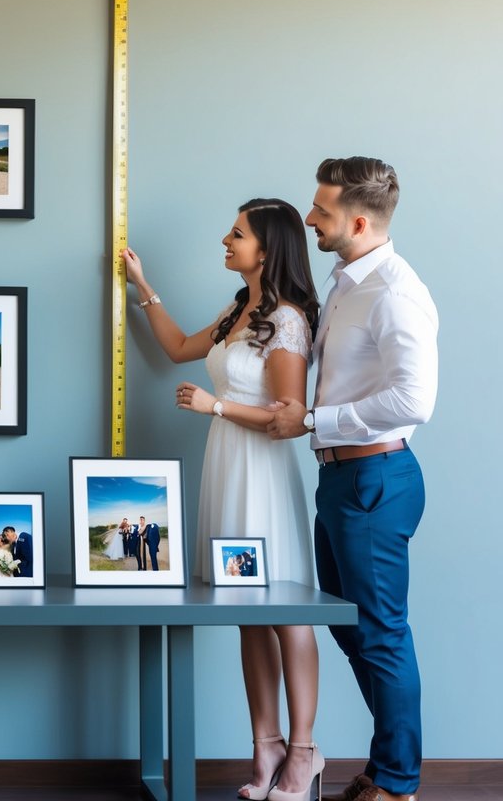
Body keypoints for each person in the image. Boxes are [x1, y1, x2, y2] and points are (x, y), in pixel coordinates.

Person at [123, 197, 321, 801]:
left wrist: (218, 407)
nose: (225, 241)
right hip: (225, 467)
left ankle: (305, 752)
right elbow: (180, 347)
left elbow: (288, 417)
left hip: (260, 470)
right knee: (245, 612)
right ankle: (265, 747)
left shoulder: (287, 319)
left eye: (237, 234)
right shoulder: (243, 309)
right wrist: (142, 286)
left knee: (285, 611)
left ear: (268, 248)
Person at [267, 157, 437, 801]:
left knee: (382, 630)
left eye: (321, 210)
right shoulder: (345, 282)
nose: (309, 217)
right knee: (350, 625)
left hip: (375, 479)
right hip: (341, 478)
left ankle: (396, 782)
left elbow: (413, 401)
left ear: (358, 220)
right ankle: (391, 762)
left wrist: (314, 416)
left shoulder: (395, 291)